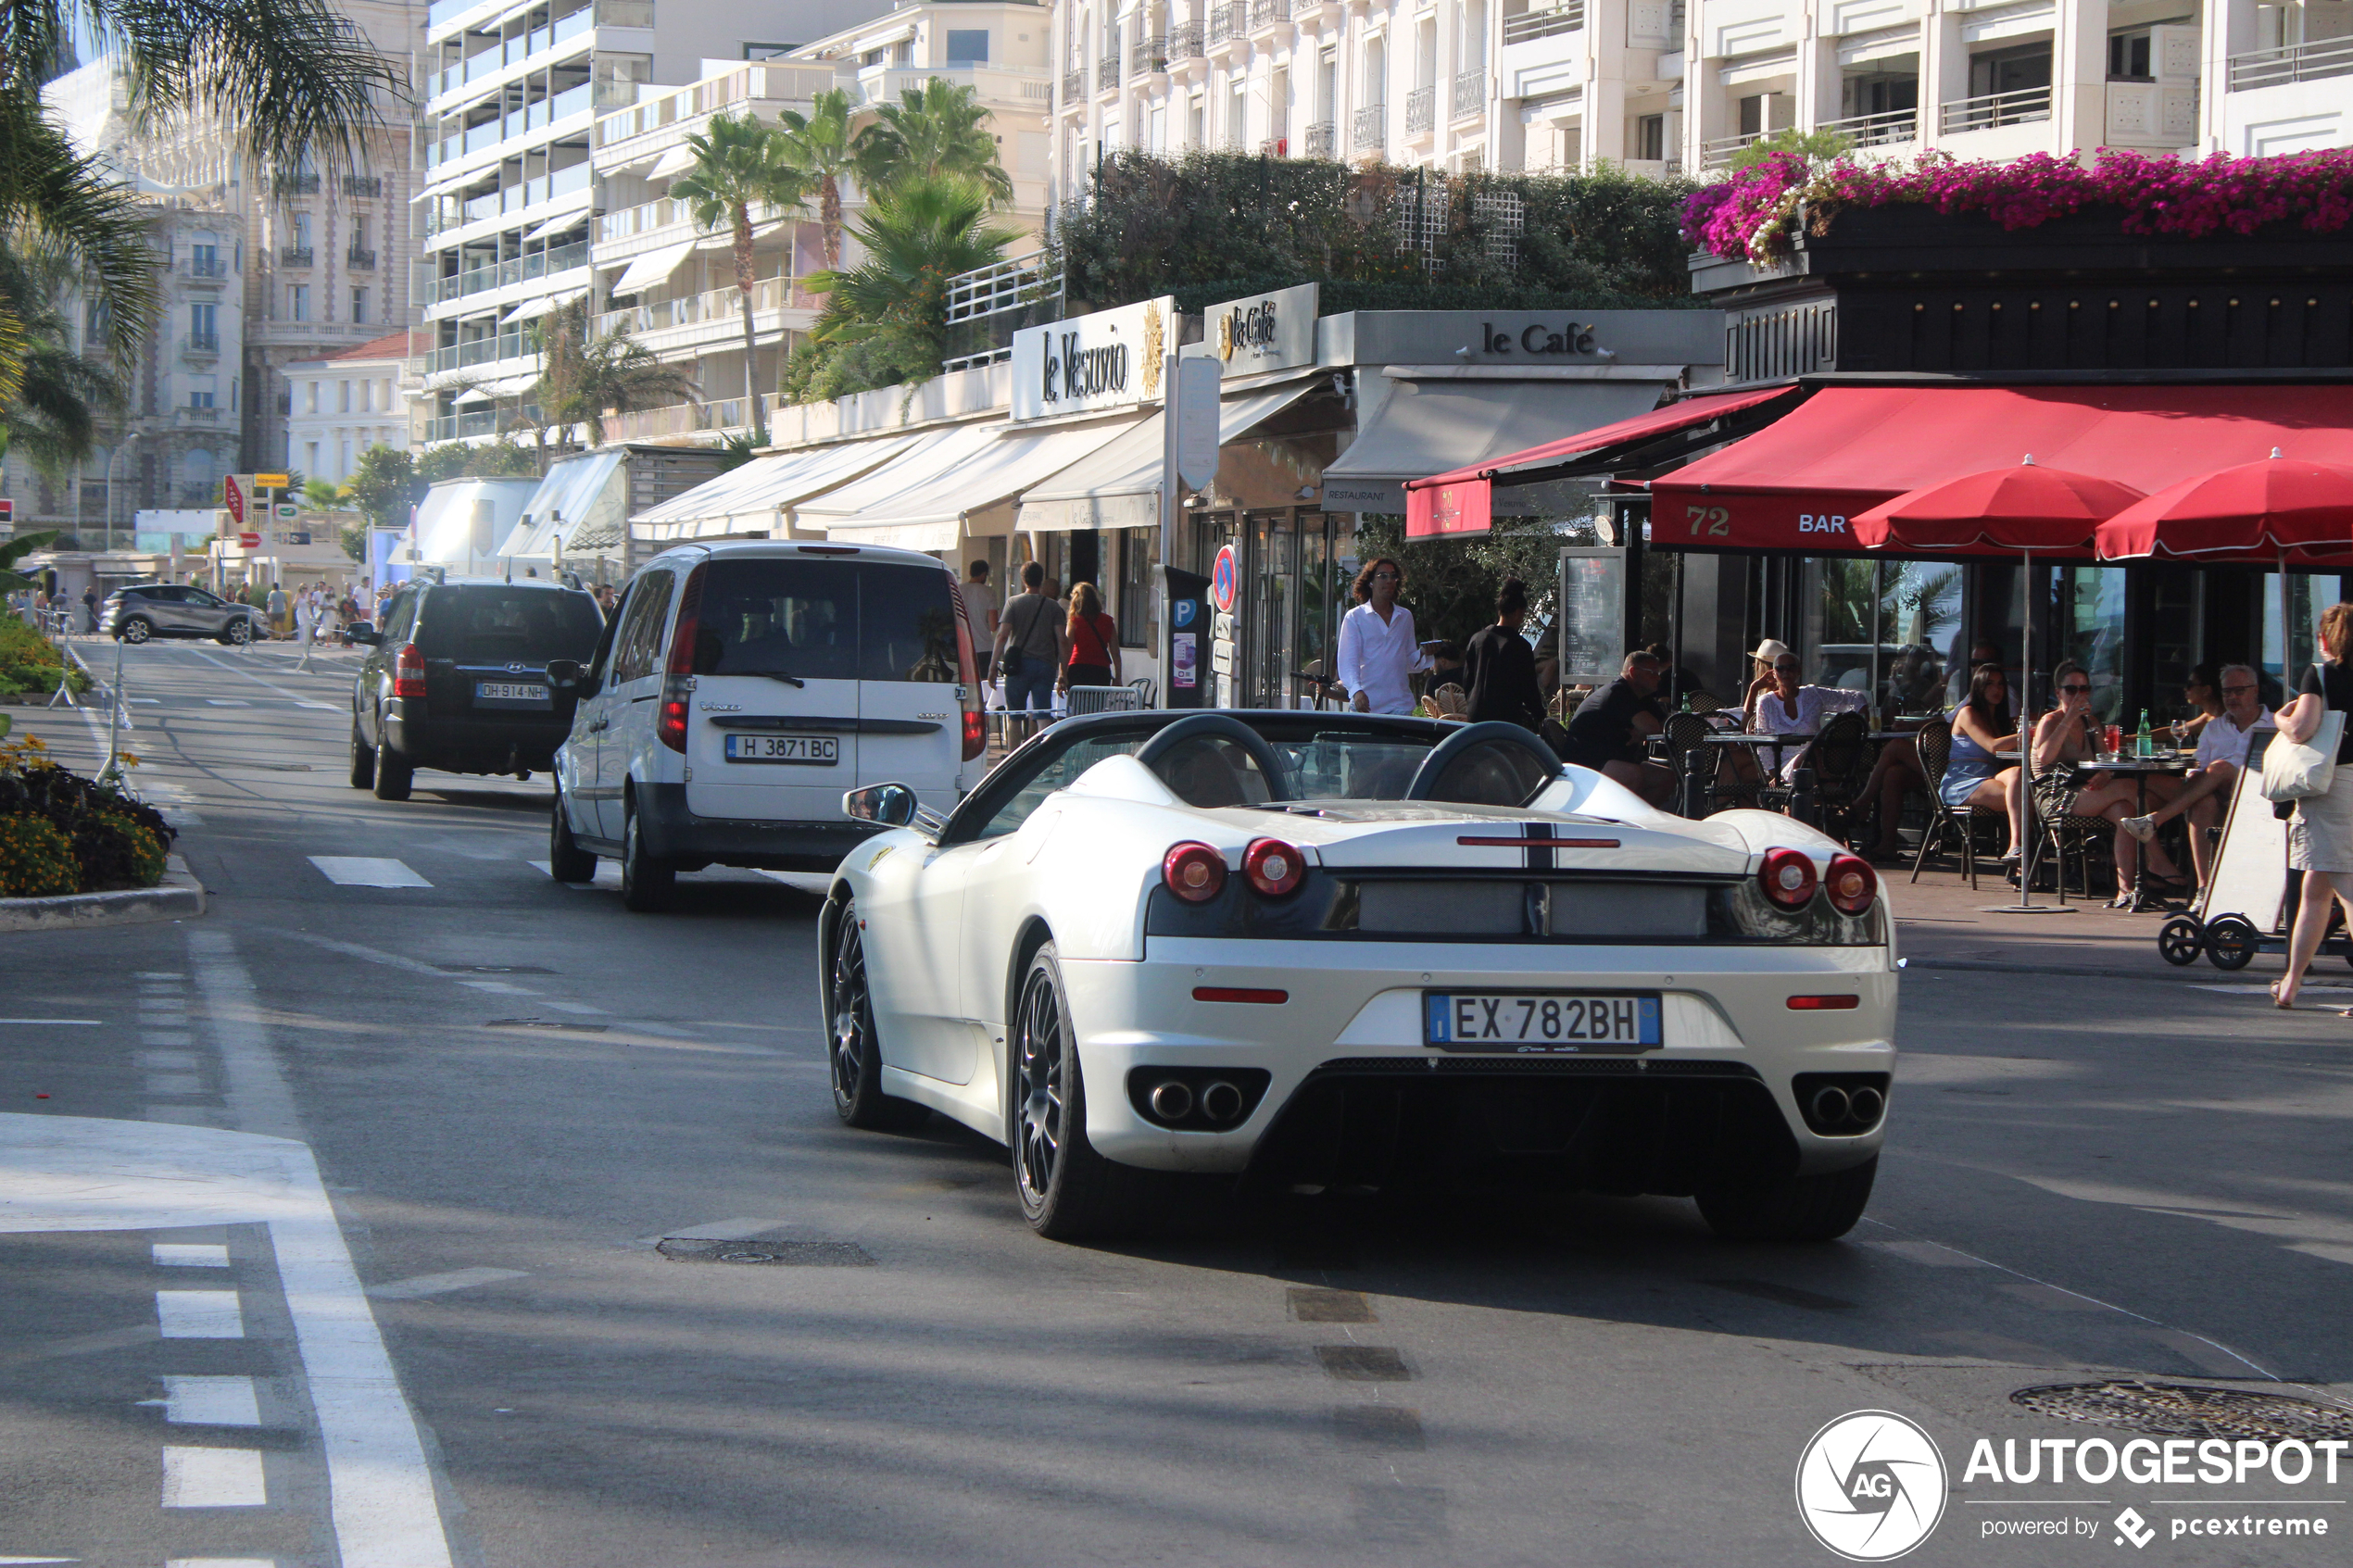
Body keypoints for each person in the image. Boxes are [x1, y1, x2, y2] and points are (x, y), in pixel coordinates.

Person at [2032, 659, 2187, 906]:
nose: (2079, 695)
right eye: (2071, 690)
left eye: (2084, 689)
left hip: (2089, 789)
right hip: (2056, 793)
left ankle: (2125, 890)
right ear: (2058, 692)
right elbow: (2045, 757)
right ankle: (2157, 858)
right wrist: (2069, 717)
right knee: (2131, 788)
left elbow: (2106, 762)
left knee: (2125, 811)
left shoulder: (2092, 723)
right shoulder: (2050, 721)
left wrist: (2106, 774)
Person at [2121, 663, 2272, 886]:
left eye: (2238, 691)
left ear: (2255, 690)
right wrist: (2195, 779)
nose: (2232, 697)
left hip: (2257, 793)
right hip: (2219, 795)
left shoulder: (2276, 724)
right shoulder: (2214, 727)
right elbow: (2198, 766)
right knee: (2203, 802)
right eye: (2227, 692)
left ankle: (2155, 820)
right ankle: (2205, 887)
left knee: (2220, 767)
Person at [2271, 604, 2353, 1009]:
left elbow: (2301, 729)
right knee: (2316, 889)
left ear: (2324, 639)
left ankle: (2293, 981)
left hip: (2335, 787)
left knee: (2347, 889)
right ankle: (2292, 981)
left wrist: (2280, 719)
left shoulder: (2320, 675)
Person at [1561, 649, 1674, 804]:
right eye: (1652, 672)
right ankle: (1612, 822)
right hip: (1586, 764)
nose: (1658, 677)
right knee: (1633, 774)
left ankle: (1641, 821)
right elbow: (1651, 727)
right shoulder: (1618, 692)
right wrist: (1645, 732)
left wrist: (1642, 734)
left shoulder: (1642, 695)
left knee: (1666, 778)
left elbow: (1665, 724)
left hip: (1615, 760)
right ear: (1633, 672)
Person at [1743, 644, 1869, 782]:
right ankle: (1831, 791)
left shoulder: (1812, 694)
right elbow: (1764, 746)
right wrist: (1774, 776)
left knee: (1815, 751)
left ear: (1799, 671)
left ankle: (1827, 792)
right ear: (1774, 673)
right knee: (1812, 751)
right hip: (1785, 767)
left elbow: (1856, 698)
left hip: (1816, 762)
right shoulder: (1766, 702)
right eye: (1780, 668)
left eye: (1791, 668)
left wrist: (1862, 724)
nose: (1786, 672)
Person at [1943, 663, 2025, 860]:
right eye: (1989, 684)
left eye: (2000, 684)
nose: (1996, 689)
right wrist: (2030, 734)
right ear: (1979, 687)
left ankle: (2018, 851)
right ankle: (2019, 854)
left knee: (2018, 775)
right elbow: (1993, 746)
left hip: (1990, 775)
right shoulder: (1968, 713)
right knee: (2025, 798)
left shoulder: (1999, 719)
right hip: (1963, 779)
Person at [1337, 558, 1433, 715]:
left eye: (1393, 576)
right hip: (1366, 704)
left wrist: (1423, 652)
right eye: (1383, 576)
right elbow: (1348, 661)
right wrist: (1356, 690)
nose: (1389, 580)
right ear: (1371, 582)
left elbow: (1408, 662)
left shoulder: (1405, 616)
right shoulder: (1355, 617)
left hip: (1400, 705)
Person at [993, 561, 1064, 737]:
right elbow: (1062, 639)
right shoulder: (1053, 606)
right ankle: (1043, 756)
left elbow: (1002, 635)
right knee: (1043, 714)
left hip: (1019, 666)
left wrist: (992, 665)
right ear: (1041, 580)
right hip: (1045, 664)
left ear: (1023, 579)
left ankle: (1013, 757)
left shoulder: (1013, 603)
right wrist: (1064, 670)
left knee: (1015, 716)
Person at [1464, 578, 1545, 730]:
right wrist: (1540, 716)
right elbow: (1529, 689)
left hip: (1475, 713)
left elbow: (1468, 680)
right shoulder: (1520, 646)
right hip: (1506, 717)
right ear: (1517, 612)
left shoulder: (1477, 639)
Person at [1058, 581, 1120, 698]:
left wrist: (1063, 674)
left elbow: (1067, 649)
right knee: (1096, 708)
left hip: (1078, 669)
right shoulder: (1108, 621)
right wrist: (1118, 677)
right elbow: (1115, 652)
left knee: (1078, 707)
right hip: (1101, 670)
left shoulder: (1074, 621)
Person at [2169, 664, 2224, 749]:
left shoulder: (2222, 719)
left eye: (2190, 685)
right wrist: (2143, 736)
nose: (2185, 689)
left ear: (2206, 690)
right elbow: (2175, 731)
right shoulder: (2209, 716)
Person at [964, 559, 999, 681]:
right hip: (983, 647)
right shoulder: (989, 593)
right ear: (984, 574)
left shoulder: (958, 590)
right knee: (983, 686)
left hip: (962, 646)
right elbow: (993, 626)